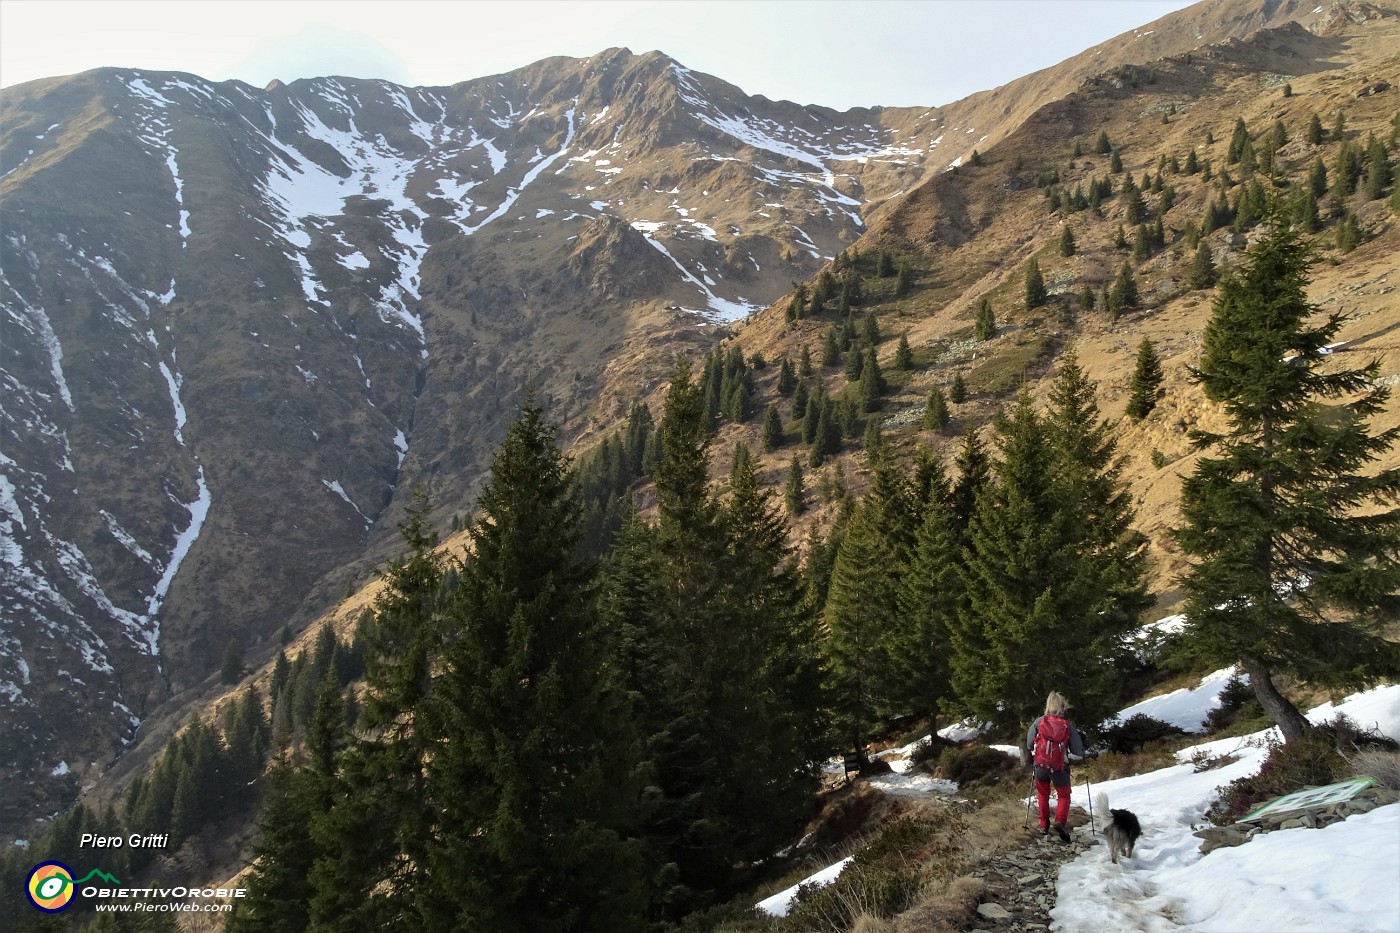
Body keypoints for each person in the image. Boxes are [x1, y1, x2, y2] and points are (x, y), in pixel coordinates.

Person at [1026, 691, 1086, 841]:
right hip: (1059, 767)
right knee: (1064, 795)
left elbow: (1028, 743)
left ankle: (1043, 825)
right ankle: (1059, 821)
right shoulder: (1067, 726)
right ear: (1063, 706)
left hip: (1040, 766)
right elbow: (1078, 751)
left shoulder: (1039, 722)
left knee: (1042, 795)